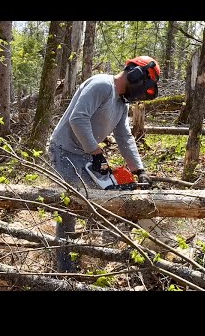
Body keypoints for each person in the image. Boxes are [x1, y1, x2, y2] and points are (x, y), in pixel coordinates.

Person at [48, 55, 160, 272]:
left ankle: (99, 251)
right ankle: (64, 266)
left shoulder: (120, 103)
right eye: (145, 86)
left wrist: (139, 170)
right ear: (136, 75)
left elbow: (124, 136)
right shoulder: (101, 85)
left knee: (109, 195)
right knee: (72, 203)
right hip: (64, 151)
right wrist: (96, 152)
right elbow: (78, 118)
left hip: (86, 154)